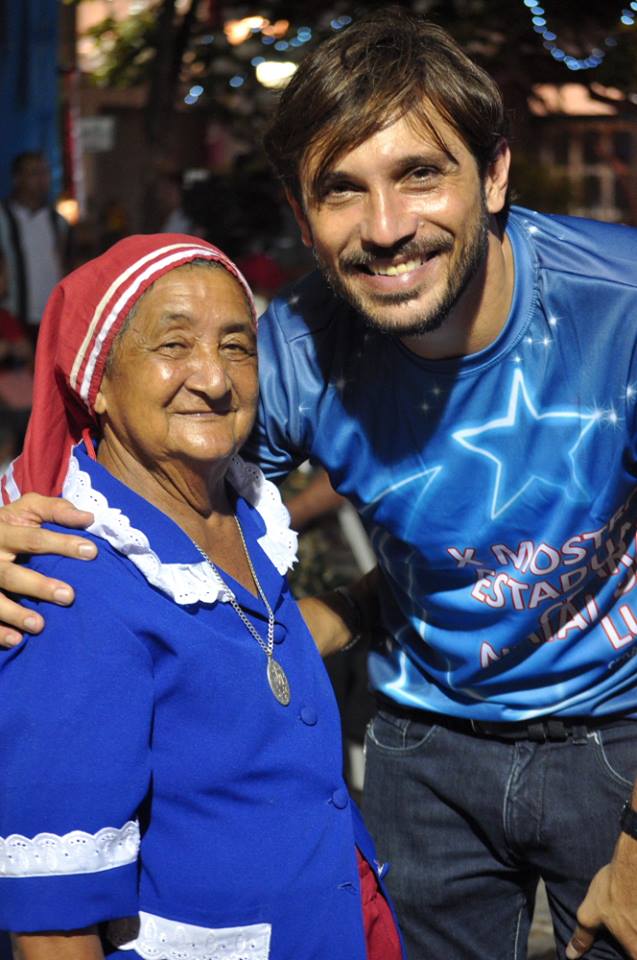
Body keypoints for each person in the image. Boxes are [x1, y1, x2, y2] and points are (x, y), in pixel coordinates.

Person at [1, 7, 637, 958]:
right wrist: (14, 527)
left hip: (616, 739)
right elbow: (135, 473)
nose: (385, 228)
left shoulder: (618, 309)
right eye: (342, 190)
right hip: (422, 747)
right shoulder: (286, 353)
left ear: (494, 173)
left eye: (419, 174)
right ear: (302, 218)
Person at [0, 234, 403, 959]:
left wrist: (385, 595)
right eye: (174, 345)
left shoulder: (240, 517)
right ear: (97, 382)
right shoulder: (71, 580)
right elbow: (56, 919)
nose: (214, 378)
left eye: (236, 346)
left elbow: (243, 663)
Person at [0, 151, 71, 342]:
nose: (42, 179)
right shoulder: (4, 218)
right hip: (13, 316)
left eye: (45, 172)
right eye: (34, 173)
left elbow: (65, 263)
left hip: (51, 318)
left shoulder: (58, 222)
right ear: (17, 178)